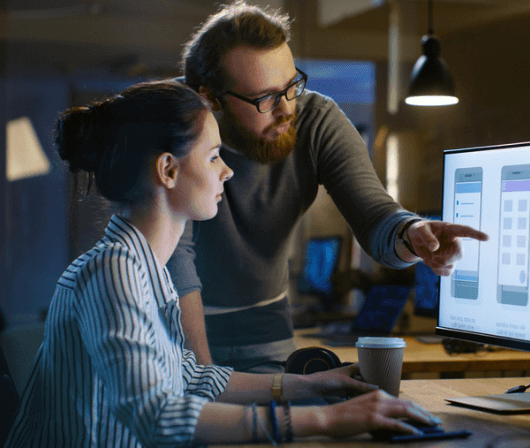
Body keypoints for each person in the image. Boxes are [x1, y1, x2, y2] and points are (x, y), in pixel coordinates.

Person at [5, 81, 441, 447]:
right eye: (214, 155)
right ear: (169, 171)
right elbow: (157, 415)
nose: (227, 172)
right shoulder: (113, 271)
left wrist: (315, 385)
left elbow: (191, 377)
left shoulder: (144, 267)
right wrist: (324, 421)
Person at [169, 0, 489, 371]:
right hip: (175, 320)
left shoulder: (317, 121)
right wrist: (204, 377)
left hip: (265, 323)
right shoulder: (169, 122)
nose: (287, 108)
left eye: (291, 86)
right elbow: (178, 261)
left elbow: (374, 216)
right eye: (265, 98)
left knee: (297, 418)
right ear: (209, 98)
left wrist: (412, 232)